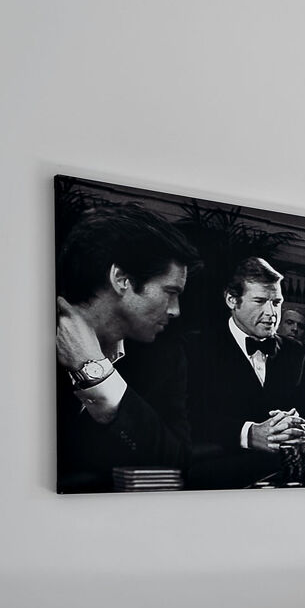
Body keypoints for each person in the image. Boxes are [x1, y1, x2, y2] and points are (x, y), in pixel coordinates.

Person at [55, 204, 201, 492]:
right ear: (121, 280)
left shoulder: (166, 357)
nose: (176, 310)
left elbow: (176, 463)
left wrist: (98, 376)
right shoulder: (25, 340)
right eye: (170, 292)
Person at [187, 257, 305, 469]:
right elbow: (187, 418)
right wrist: (248, 434)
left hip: (286, 476)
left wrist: (303, 431)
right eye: (260, 301)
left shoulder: (295, 352)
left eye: (276, 303)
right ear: (232, 300)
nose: (272, 313)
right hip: (222, 478)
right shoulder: (196, 348)